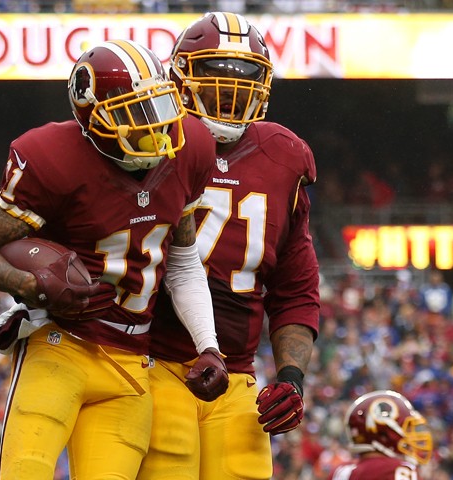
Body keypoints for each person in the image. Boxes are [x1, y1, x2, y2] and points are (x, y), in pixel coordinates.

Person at [0, 39, 229, 480]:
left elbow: (184, 263)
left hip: (132, 360)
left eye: (155, 106)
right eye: (134, 114)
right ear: (92, 119)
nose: (153, 127)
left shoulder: (190, 148)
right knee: (25, 472)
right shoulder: (55, 159)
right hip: (62, 345)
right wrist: (30, 286)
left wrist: (208, 346)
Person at [137, 12, 321, 480]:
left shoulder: (283, 156)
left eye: (242, 80)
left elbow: (295, 291)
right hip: (146, 361)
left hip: (237, 375)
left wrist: (291, 378)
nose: (228, 93)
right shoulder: (147, 140)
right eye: (214, 77)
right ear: (178, 76)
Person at [328, 390, 433, 480]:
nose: (408, 436)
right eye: (406, 430)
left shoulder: (340, 471)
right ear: (383, 434)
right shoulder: (399, 470)